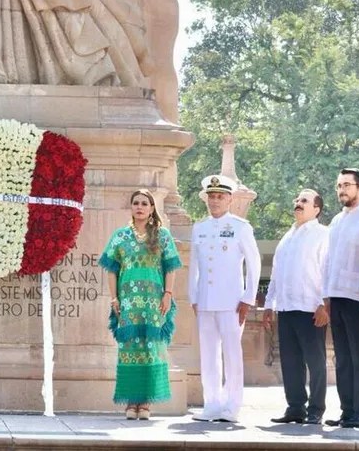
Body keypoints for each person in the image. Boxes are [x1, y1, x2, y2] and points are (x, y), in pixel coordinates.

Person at [101, 189, 182, 420]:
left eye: (144, 203)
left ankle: (145, 403)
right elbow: (111, 270)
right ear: (131, 207)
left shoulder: (162, 235)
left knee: (151, 350)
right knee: (129, 349)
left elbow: (171, 268)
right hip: (128, 303)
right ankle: (130, 402)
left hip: (154, 303)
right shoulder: (120, 236)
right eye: (136, 203)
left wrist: (168, 294)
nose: (139, 207)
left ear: (151, 208)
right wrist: (114, 298)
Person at [189, 174, 261, 423]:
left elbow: (254, 264)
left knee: (232, 354)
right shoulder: (200, 227)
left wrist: (248, 297)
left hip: (231, 301)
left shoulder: (241, 227)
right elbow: (194, 266)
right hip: (206, 300)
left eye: (220, 196)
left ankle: (232, 406)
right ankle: (211, 403)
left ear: (229, 199)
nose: (215, 200)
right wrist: (193, 296)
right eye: (211, 196)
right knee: (208, 354)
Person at [263, 189, 330, 425]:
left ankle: (316, 409)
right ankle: (295, 408)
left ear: (317, 209)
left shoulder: (323, 235)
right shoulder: (287, 237)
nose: (298, 203)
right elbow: (276, 274)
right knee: (290, 361)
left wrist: (325, 305)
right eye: (297, 200)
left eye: (304, 201)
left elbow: (328, 272)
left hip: (311, 309)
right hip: (286, 308)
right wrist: (269, 305)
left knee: (315, 361)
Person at [322, 168, 359, 429]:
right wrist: (325, 295)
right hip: (337, 295)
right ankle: (347, 411)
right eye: (338, 185)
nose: (341, 190)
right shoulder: (336, 220)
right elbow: (328, 260)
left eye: (346, 185)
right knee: (342, 357)